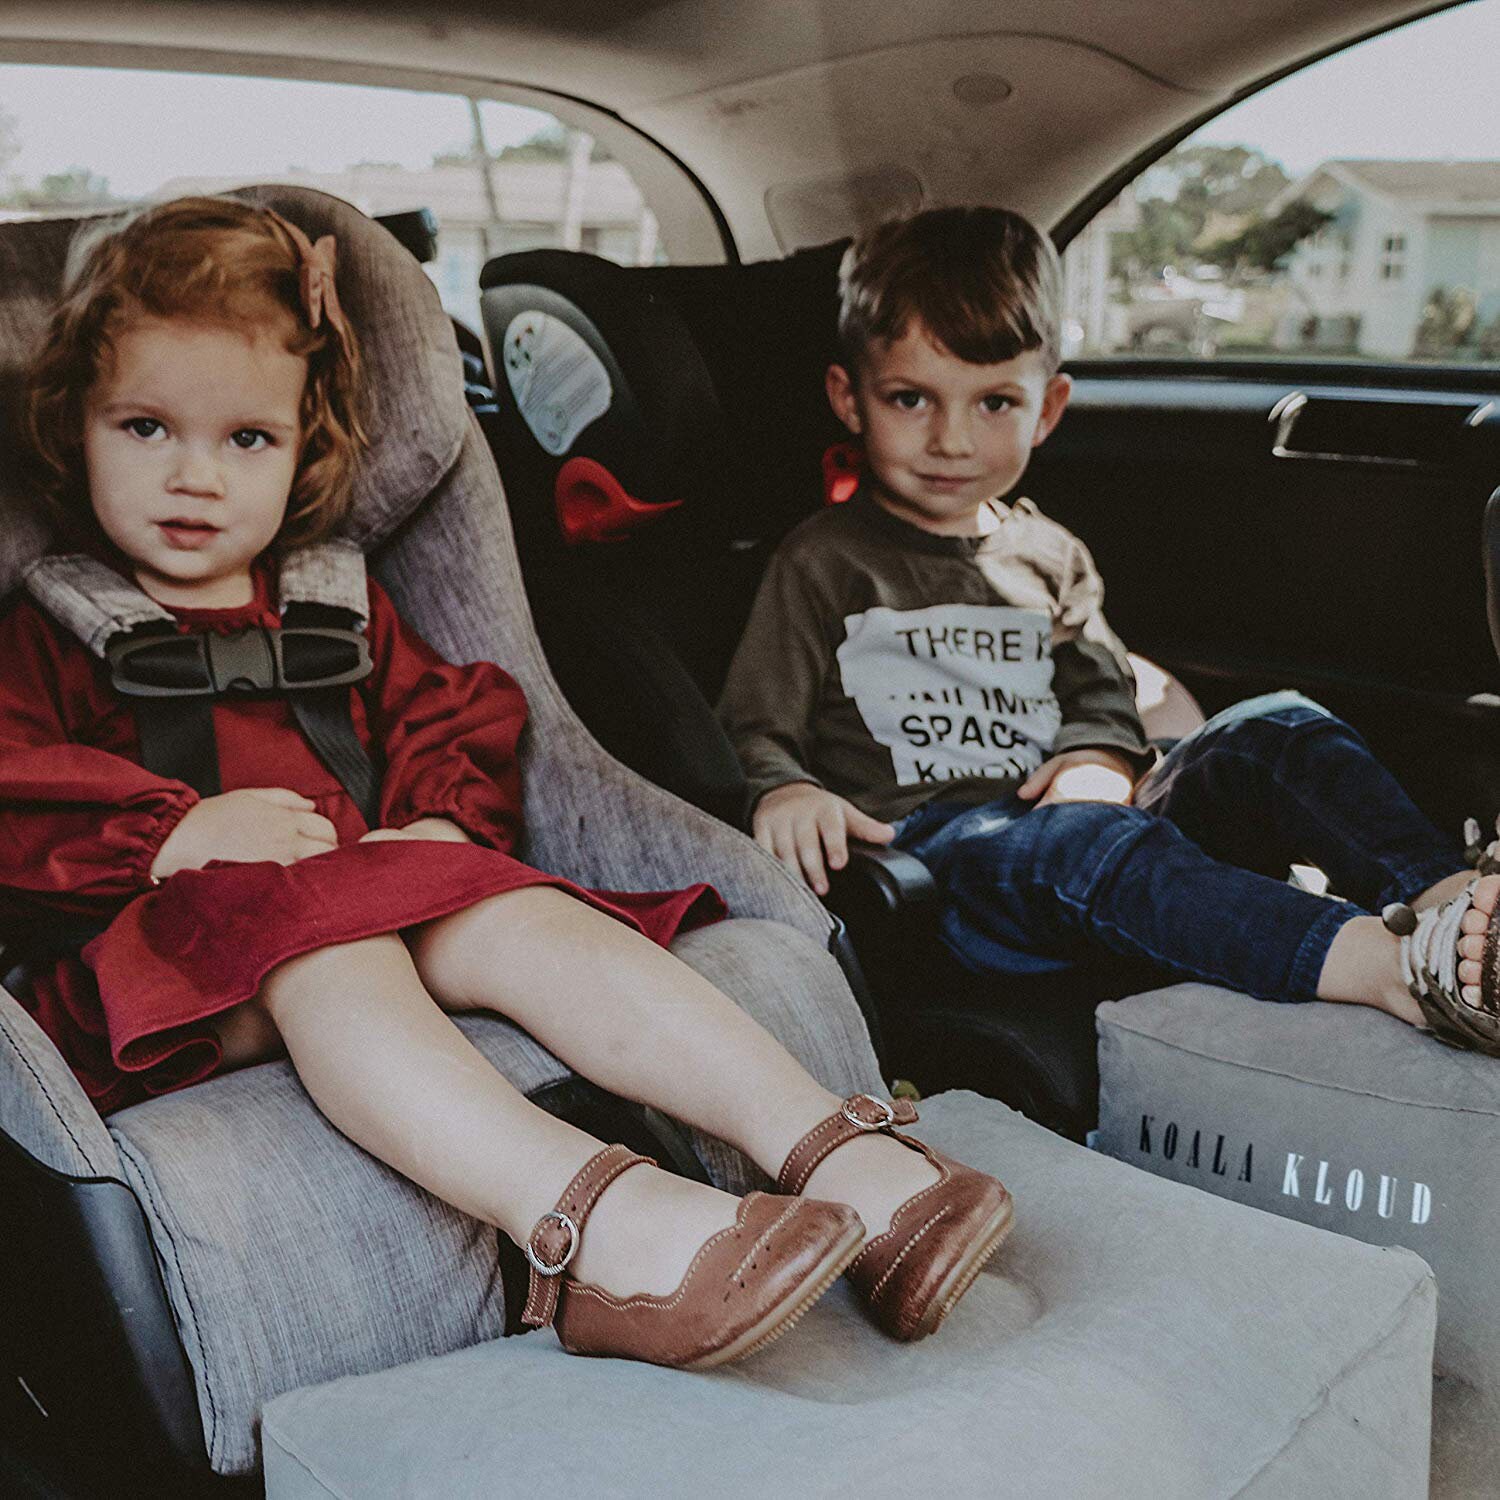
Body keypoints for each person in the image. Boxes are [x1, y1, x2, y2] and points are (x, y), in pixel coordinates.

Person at [0, 197, 1014, 1370]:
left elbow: (448, 715)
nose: (194, 479)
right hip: (166, 976)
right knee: (328, 945)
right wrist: (169, 837)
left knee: (510, 903)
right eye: (145, 429)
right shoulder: (54, 632)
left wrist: (435, 820)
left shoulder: (335, 605)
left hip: (363, 904)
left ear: (304, 444)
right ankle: (601, 1233)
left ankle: (838, 1157)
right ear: (75, 426)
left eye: (246, 440)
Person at [718, 205, 1500, 1056]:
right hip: (943, 858)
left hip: (1082, 827)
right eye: (910, 398)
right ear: (850, 398)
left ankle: (1455, 908)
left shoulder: (1050, 553)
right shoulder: (823, 562)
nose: (951, 438)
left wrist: (1099, 754)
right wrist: (783, 789)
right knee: (1082, 842)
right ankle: (1397, 970)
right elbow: (757, 725)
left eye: (994, 403)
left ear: (1048, 408)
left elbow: (1101, 687)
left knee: (1277, 724)